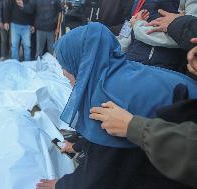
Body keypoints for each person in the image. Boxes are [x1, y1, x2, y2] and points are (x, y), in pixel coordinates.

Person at [36, 22, 197, 189]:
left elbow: (102, 174)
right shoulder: (119, 72)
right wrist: (80, 147)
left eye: (65, 65)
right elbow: (106, 141)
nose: (63, 73)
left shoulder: (107, 94)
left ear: (83, 61)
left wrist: (61, 185)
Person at [89, 15, 197, 189]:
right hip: (134, 63)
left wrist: (137, 26)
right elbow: (127, 29)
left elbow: (154, 33)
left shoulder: (114, 87)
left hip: (155, 71)